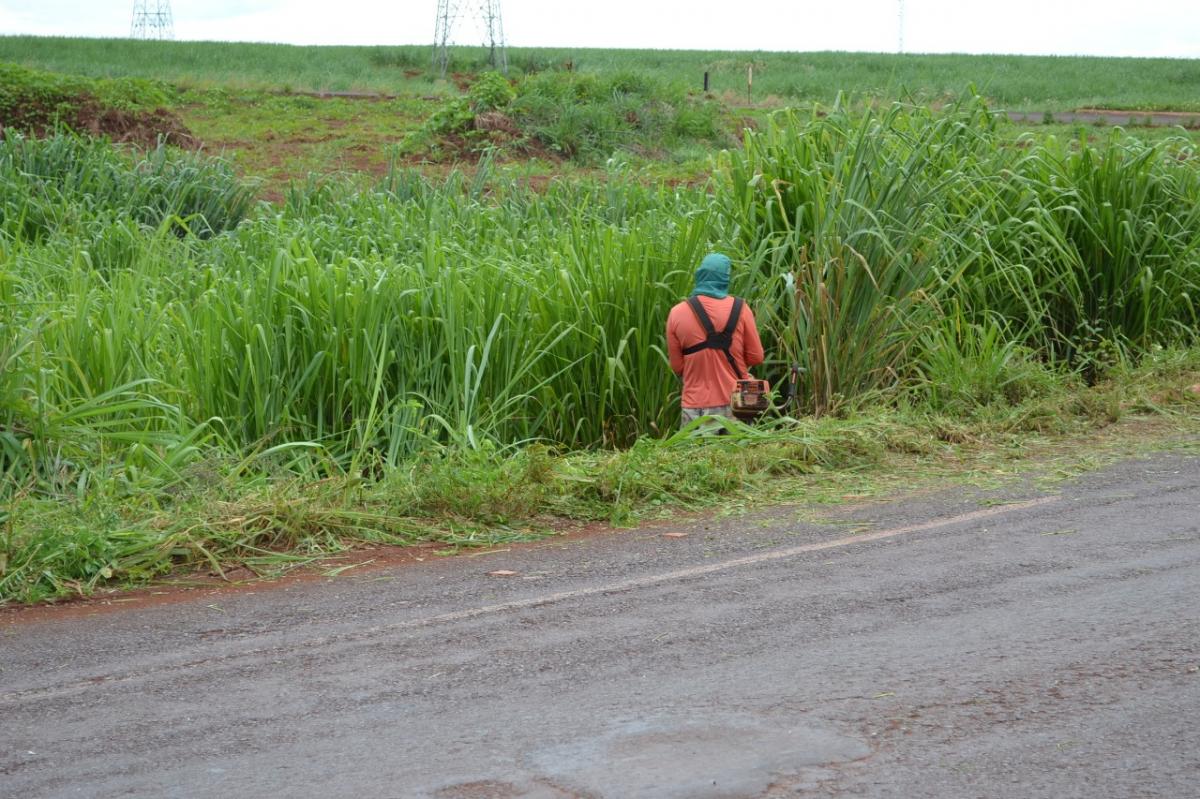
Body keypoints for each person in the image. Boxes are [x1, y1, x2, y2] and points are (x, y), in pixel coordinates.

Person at [666, 252, 764, 429]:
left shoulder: (676, 313)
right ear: (725, 278)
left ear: (700, 275)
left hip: (694, 408)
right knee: (735, 448)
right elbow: (756, 357)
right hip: (735, 405)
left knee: (694, 448)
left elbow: (677, 367)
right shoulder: (741, 309)